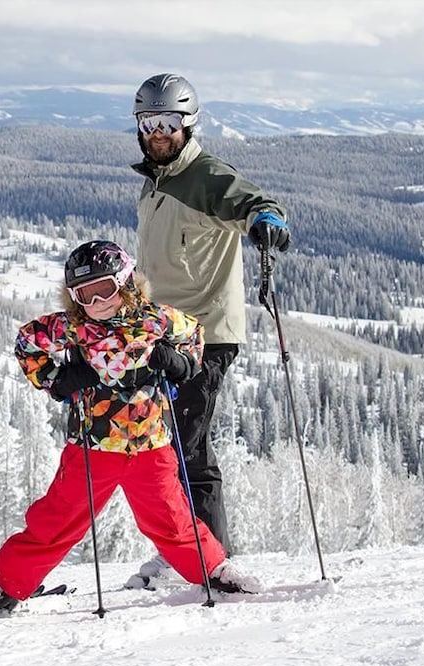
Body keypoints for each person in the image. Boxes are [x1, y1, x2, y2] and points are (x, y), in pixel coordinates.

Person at [0, 240, 260, 617]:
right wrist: (59, 380)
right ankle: (5, 583)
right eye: (84, 295)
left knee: (172, 519)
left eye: (104, 289)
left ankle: (213, 569)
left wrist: (180, 364)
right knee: (58, 519)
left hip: (151, 447)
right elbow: (27, 343)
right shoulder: (74, 326)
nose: (97, 302)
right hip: (93, 448)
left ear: (125, 281)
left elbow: (194, 337)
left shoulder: (156, 319)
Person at [126, 72, 292, 587]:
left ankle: (207, 558)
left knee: (188, 446)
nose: (158, 132)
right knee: (166, 444)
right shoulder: (158, 180)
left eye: (168, 122)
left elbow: (254, 203)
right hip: (163, 333)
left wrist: (267, 221)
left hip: (204, 334)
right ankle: (184, 551)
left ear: (188, 123)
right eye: (148, 122)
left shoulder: (205, 176)